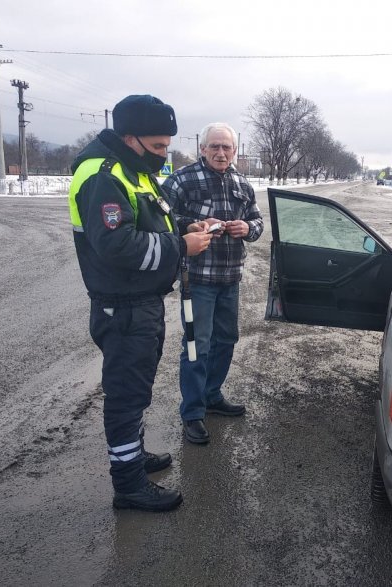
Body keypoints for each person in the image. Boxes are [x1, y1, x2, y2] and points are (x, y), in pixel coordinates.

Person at [68, 95, 213, 511]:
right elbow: (116, 245)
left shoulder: (134, 169)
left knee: (137, 390)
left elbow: (155, 219)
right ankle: (128, 485)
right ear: (129, 137)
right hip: (123, 305)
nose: (164, 155)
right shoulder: (103, 175)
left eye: (167, 145)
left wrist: (186, 226)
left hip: (141, 302)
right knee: (126, 395)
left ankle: (133, 455)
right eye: (158, 146)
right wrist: (181, 246)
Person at [162, 122, 264, 445]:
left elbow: (258, 222)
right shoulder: (182, 179)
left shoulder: (242, 184)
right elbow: (159, 216)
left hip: (230, 278)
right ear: (202, 149)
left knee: (226, 340)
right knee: (196, 345)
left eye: (227, 148)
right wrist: (190, 224)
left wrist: (247, 228)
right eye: (214, 147)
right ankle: (192, 413)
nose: (221, 153)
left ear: (234, 151)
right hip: (198, 280)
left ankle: (211, 395)